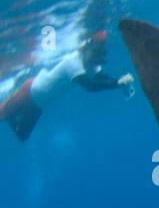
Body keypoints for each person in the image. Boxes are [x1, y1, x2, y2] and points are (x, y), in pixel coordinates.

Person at [0, 30, 134, 141]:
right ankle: (8, 114)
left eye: (100, 52)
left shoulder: (92, 60)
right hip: (29, 92)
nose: (97, 57)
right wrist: (117, 83)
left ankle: (10, 116)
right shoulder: (73, 61)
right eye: (96, 51)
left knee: (22, 135)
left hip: (39, 104)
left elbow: (100, 76)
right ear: (87, 47)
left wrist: (119, 83)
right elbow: (90, 86)